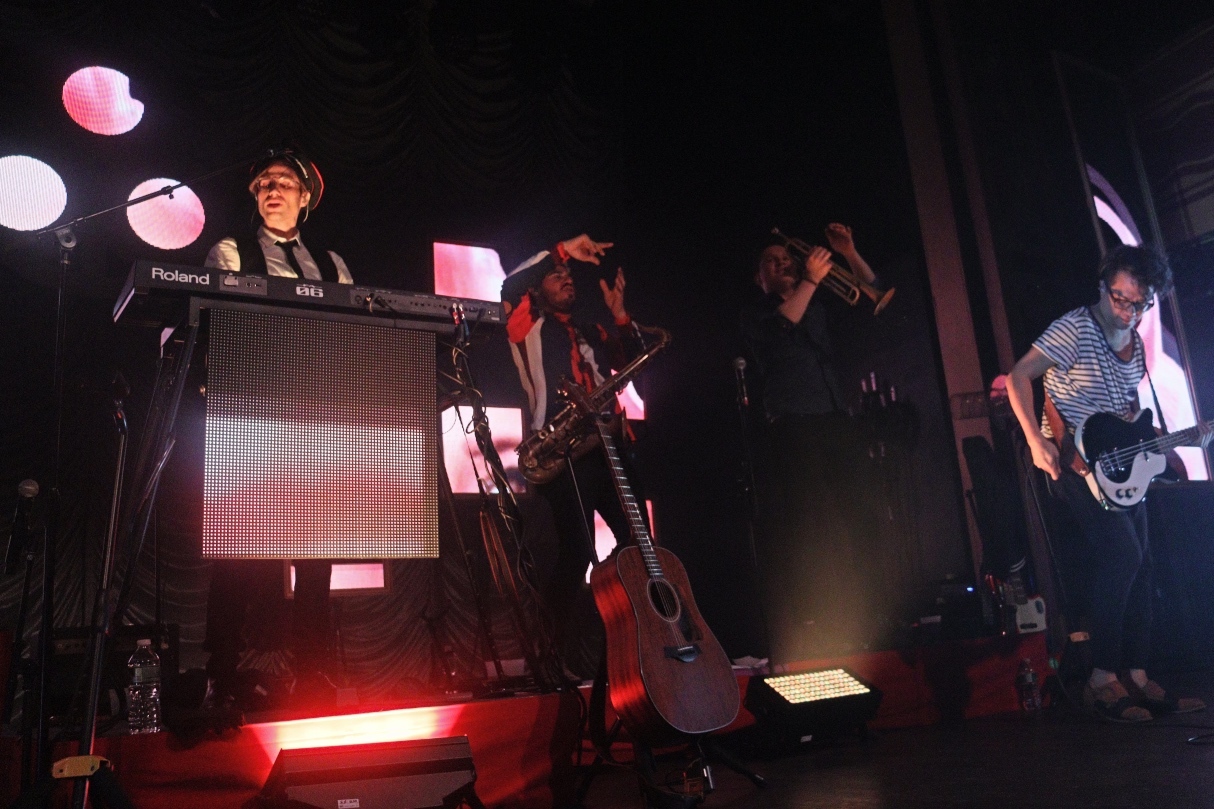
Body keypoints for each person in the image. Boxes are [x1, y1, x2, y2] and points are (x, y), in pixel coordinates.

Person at [1006, 244, 1211, 722]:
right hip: (1077, 467)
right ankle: (1100, 680)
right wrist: (1036, 440)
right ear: (1103, 287)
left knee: (1144, 566)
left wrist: (1178, 440)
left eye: (1138, 304)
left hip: (1122, 468)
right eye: (1119, 298)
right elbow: (1018, 376)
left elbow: (1126, 416)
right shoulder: (1075, 328)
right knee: (1123, 557)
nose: (1126, 311)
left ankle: (1135, 676)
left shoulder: (1136, 346)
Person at [202, 148, 353, 707]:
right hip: (252, 417)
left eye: (284, 182)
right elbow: (223, 322)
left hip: (317, 422)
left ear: (305, 197)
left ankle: (312, 673)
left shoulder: (332, 263)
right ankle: (223, 675)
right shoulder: (230, 250)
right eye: (264, 182)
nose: (271, 189)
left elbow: (350, 335)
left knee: (315, 559)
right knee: (239, 554)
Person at [740, 223, 883, 662]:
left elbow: (874, 294)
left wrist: (850, 252)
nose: (782, 263)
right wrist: (810, 280)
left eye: (787, 258)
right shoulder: (758, 316)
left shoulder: (817, 301)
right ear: (759, 278)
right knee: (812, 525)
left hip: (835, 417)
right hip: (794, 425)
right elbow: (785, 323)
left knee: (860, 513)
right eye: (772, 262)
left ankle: (869, 616)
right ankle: (816, 620)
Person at [501, 235, 645, 664]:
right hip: (562, 450)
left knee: (640, 542)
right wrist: (562, 250)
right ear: (537, 289)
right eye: (555, 276)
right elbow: (510, 286)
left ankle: (635, 640)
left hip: (609, 446)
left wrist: (620, 314)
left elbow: (634, 361)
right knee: (578, 550)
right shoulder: (525, 324)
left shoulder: (591, 330)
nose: (566, 278)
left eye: (568, 275)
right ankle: (550, 653)